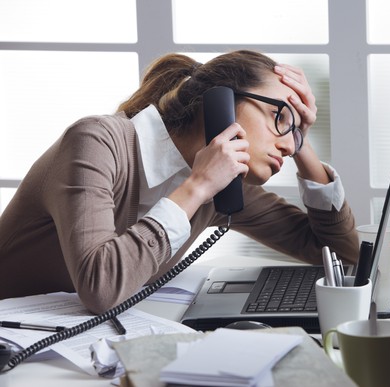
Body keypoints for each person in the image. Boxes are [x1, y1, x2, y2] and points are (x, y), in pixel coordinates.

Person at [0, 50, 359, 313]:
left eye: (295, 131)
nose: (287, 142)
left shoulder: (229, 182)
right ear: (219, 102)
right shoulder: (96, 141)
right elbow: (101, 287)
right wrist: (197, 188)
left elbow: (339, 256)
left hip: (81, 343)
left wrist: (304, 148)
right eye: (279, 117)